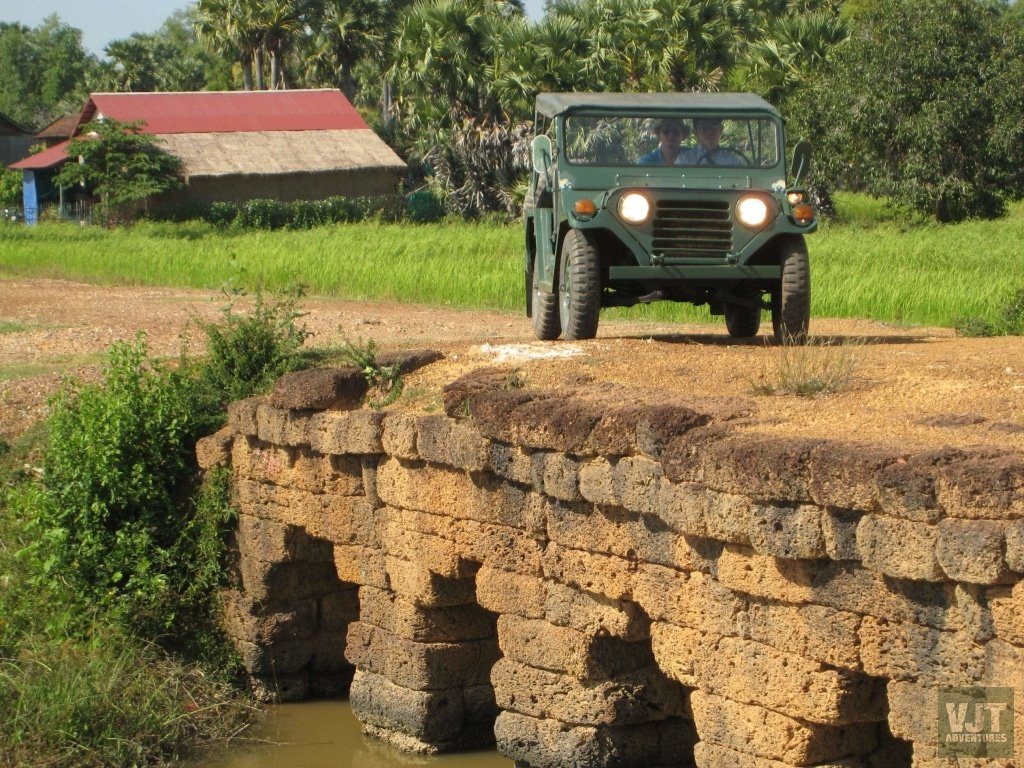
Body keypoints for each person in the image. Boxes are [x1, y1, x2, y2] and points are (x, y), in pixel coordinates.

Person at [678, 118, 744, 166]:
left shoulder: (732, 161)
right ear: (695, 132)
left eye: (714, 126)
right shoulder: (685, 160)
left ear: (720, 130)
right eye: (703, 128)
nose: (710, 132)